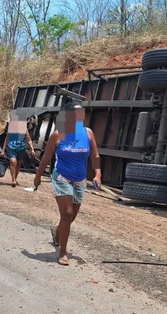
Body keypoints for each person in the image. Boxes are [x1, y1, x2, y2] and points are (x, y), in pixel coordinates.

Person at [33, 100, 102, 266]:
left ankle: (58, 230)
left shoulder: (88, 133)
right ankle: (63, 252)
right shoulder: (58, 134)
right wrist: (38, 176)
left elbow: (95, 155)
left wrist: (98, 174)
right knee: (67, 213)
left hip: (80, 179)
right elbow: (47, 157)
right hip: (61, 177)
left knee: (71, 217)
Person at [1, 113, 35, 187]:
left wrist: (32, 149)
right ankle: (13, 180)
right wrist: (3, 150)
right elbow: (6, 140)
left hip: (21, 148)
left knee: (19, 164)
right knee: (13, 162)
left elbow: (28, 140)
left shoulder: (24, 129)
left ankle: (15, 178)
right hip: (11, 147)